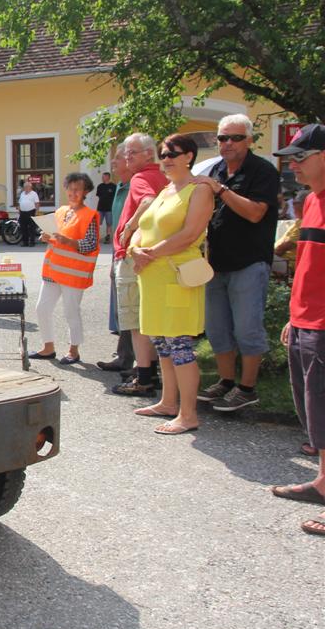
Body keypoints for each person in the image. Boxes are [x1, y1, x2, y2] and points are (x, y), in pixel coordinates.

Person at [192, 114, 280, 411]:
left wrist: (221, 190)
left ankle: (248, 387)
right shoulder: (216, 169)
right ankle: (227, 381)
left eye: (235, 138)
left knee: (247, 329)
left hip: (249, 262)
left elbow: (256, 212)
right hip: (215, 263)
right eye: (222, 138)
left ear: (249, 140)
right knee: (217, 329)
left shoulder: (262, 170)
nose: (227, 143)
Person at [128, 134, 215, 435]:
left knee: (180, 346)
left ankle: (188, 414)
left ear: (189, 156)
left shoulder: (199, 189)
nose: (166, 159)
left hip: (175, 276)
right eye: (163, 154)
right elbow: (143, 227)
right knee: (163, 345)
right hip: (153, 277)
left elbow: (190, 233)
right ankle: (168, 402)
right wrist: (135, 250)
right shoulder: (166, 190)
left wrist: (149, 254)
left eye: (172, 154)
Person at [269, 123, 325, 535]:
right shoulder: (310, 201)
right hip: (306, 317)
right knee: (314, 413)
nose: (293, 166)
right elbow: (307, 266)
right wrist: (294, 314)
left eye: (301, 158)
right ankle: (322, 482)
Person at [111, 133, 169, 396]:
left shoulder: (140, 178)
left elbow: (147, 202)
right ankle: (153, 373)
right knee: (151, 318)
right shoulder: (164, 178)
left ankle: (142, 376)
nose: (127, 157)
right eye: (126, 153)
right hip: (154, 253)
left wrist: (129, 227)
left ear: (149, 153)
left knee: (136, 320)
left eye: (132, 153)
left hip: (133, 254)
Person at [30, 173, 100, 365]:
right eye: (70, 188)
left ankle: (73, 350)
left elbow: (90, 245)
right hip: (53, 270)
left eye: (78, 189)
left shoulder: (89, 215)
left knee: (71, 312)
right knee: (42, 308)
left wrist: (69, 241)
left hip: (73, 273)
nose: (73, 192)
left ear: (86, 191)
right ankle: (48, 347)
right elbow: (53, 236)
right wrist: (45, 237)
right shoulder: (61, 211)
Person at [97, 144, 136, 374]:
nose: (114, 162)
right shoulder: (121, 185)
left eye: (119, 158)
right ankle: (124, 354)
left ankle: (137, 360)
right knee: (122, 308)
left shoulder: (135, 186)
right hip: (119, 251)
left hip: (132, 253)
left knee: (130, 307)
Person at [274, 190, 307, 270]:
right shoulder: (300, 220)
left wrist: (271, 255)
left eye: (295, 203)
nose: (293, 205)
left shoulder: (304, 222)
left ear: (305, 204)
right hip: (281, 259)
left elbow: (284, 247)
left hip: (287, 263)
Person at [17, 180, 41, 247]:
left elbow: (37, 203)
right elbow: (20, 202)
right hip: (22, 213)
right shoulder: (22, 194)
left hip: (31, 212)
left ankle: (32, 242)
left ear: (30, 187)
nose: (25, 188)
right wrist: (19, 210)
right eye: (24, 187)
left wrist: (36, 212)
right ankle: (25, 242)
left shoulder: (34, 194)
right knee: (23, 228)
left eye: (27, 187)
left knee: (31, 228)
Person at [96, 171, 116, 243]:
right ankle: (96, 237)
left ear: (108, 177)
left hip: (109, 209)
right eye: (102, 177)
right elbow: (98, 195)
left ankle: (108, 237)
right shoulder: (100, 186)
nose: (102, 178)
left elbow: (115, 197)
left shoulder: (113, 186)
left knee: (109, 223)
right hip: (100, 208)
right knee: (97, 223)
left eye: (104, 177)